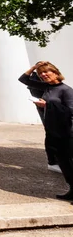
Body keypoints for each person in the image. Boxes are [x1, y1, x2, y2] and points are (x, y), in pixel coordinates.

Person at [19, 61, 73, 200]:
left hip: (67, 131)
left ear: (55, 72)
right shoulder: (47, 87)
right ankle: (72, 189)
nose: (43, 75)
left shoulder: (66, 90)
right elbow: (24, 79)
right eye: (41, 73)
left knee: (70, 161)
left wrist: (47, 105)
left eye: (46, 72)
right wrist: (35, 68)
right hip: (53, 130)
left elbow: (71, 111)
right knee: (63, 162)